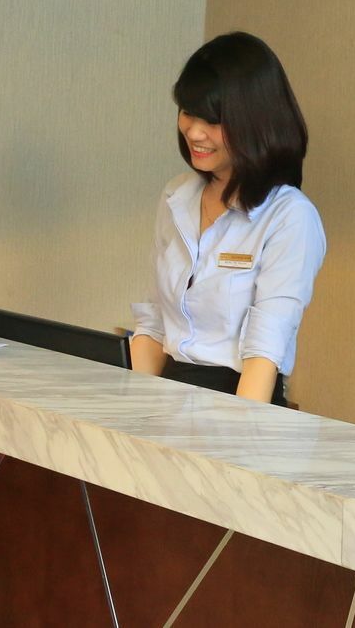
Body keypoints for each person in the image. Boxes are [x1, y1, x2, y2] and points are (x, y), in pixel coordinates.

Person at [129, 32, 325, 405]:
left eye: (213, 120)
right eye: (188, 112)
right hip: (167, 398)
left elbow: (263, 356)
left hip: (237, 403)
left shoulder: (289, 216)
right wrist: (132, 413)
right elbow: (153, 324)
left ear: (256, 122)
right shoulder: (177, 196)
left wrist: (230, 450)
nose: (193, 131)